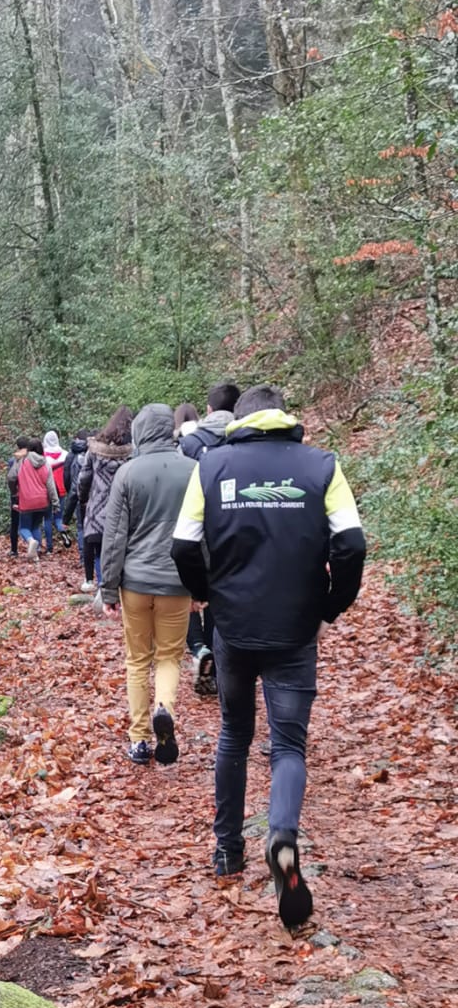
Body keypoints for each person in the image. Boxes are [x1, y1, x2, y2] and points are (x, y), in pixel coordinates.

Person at [172, 384, 366, 925]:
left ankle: (227, 851)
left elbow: (183, 544)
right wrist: (332, 604)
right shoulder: (321, 466)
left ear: (240, 420)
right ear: (285, 418)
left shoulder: (211, 468)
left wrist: (206, 591)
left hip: (233, 626)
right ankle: (281, 832)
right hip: (295, 629)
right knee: (288, 745)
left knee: (235, 731)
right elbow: (351, 542)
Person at [99, 406, 195, 765]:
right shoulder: (194, 470)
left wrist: (108, 589)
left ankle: (140, 739)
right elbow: (205, 534)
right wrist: (203, 587)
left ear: (140, 431)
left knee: (137, 661)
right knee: (169, 657)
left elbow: (114, 537)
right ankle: (163, 708)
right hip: (177, 582)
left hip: (135, 583)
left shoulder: (127, 472)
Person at [180, 384, 240, 694]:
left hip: (196, 531)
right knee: (219, 602)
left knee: (191, 596)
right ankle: (218, 661)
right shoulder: (244, 440)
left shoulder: (190, 443)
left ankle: (199, 648)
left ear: (209, 410)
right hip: (233, 534)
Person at [78, 406, 133, 591]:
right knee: (120, 551)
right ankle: (118, 591)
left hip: (97, 510)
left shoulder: (94, 450)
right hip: (124, 510)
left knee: (99, 550)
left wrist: (84, 499)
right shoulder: (132, 453)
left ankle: (103, 590)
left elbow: (83, 479)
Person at [15, 439, 58, 563]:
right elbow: (50, 485)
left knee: (23, 528)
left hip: (26, 500)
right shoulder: (45, 463)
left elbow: (12, 477)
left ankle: (31, 541)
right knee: (36, 525)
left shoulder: (23, 461)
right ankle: (36, 552)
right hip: (42, 501)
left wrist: (14, 492)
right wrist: (55, 502)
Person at [41, 431, 66, 553]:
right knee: (59, 517)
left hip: (47, 491)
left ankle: (49, 548)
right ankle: (64, 535)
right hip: (62, 489)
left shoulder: (43, 457)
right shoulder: (65, 454)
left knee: (47, 519)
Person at [7, 438, 27, 557]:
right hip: (30, 493)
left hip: (16, 494)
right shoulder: (33, 459)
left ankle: (14, 549)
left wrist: (13, 492)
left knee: (15, 522)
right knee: (30, 521)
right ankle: (34, 546)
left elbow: (11, 478)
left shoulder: (12, 461)